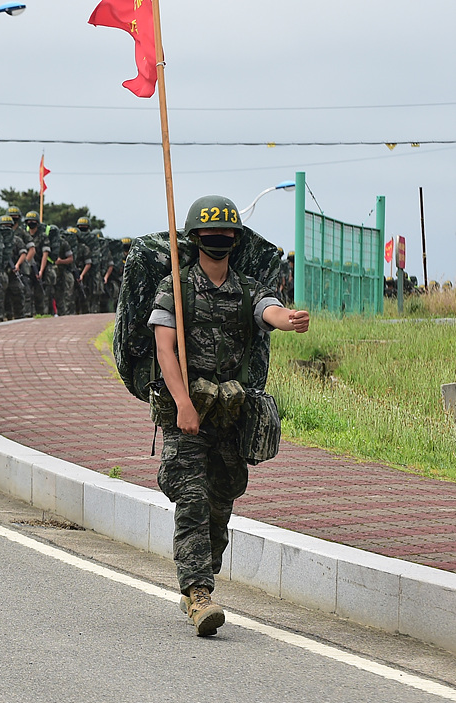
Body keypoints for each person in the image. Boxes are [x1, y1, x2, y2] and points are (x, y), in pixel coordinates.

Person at [148, 194, 310, 636]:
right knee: (193, 499)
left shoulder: (247, 288)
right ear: (196, 239)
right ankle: (199, 594)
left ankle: (200, 576)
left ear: (235, 240)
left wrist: (288, 319)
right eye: (209, 235)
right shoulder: (176, 288)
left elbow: (268, 310)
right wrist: (182, 402)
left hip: (230, 416)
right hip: (187, 414)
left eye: (224, 235)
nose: (217, 241)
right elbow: (165, 349)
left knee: (220, 508)